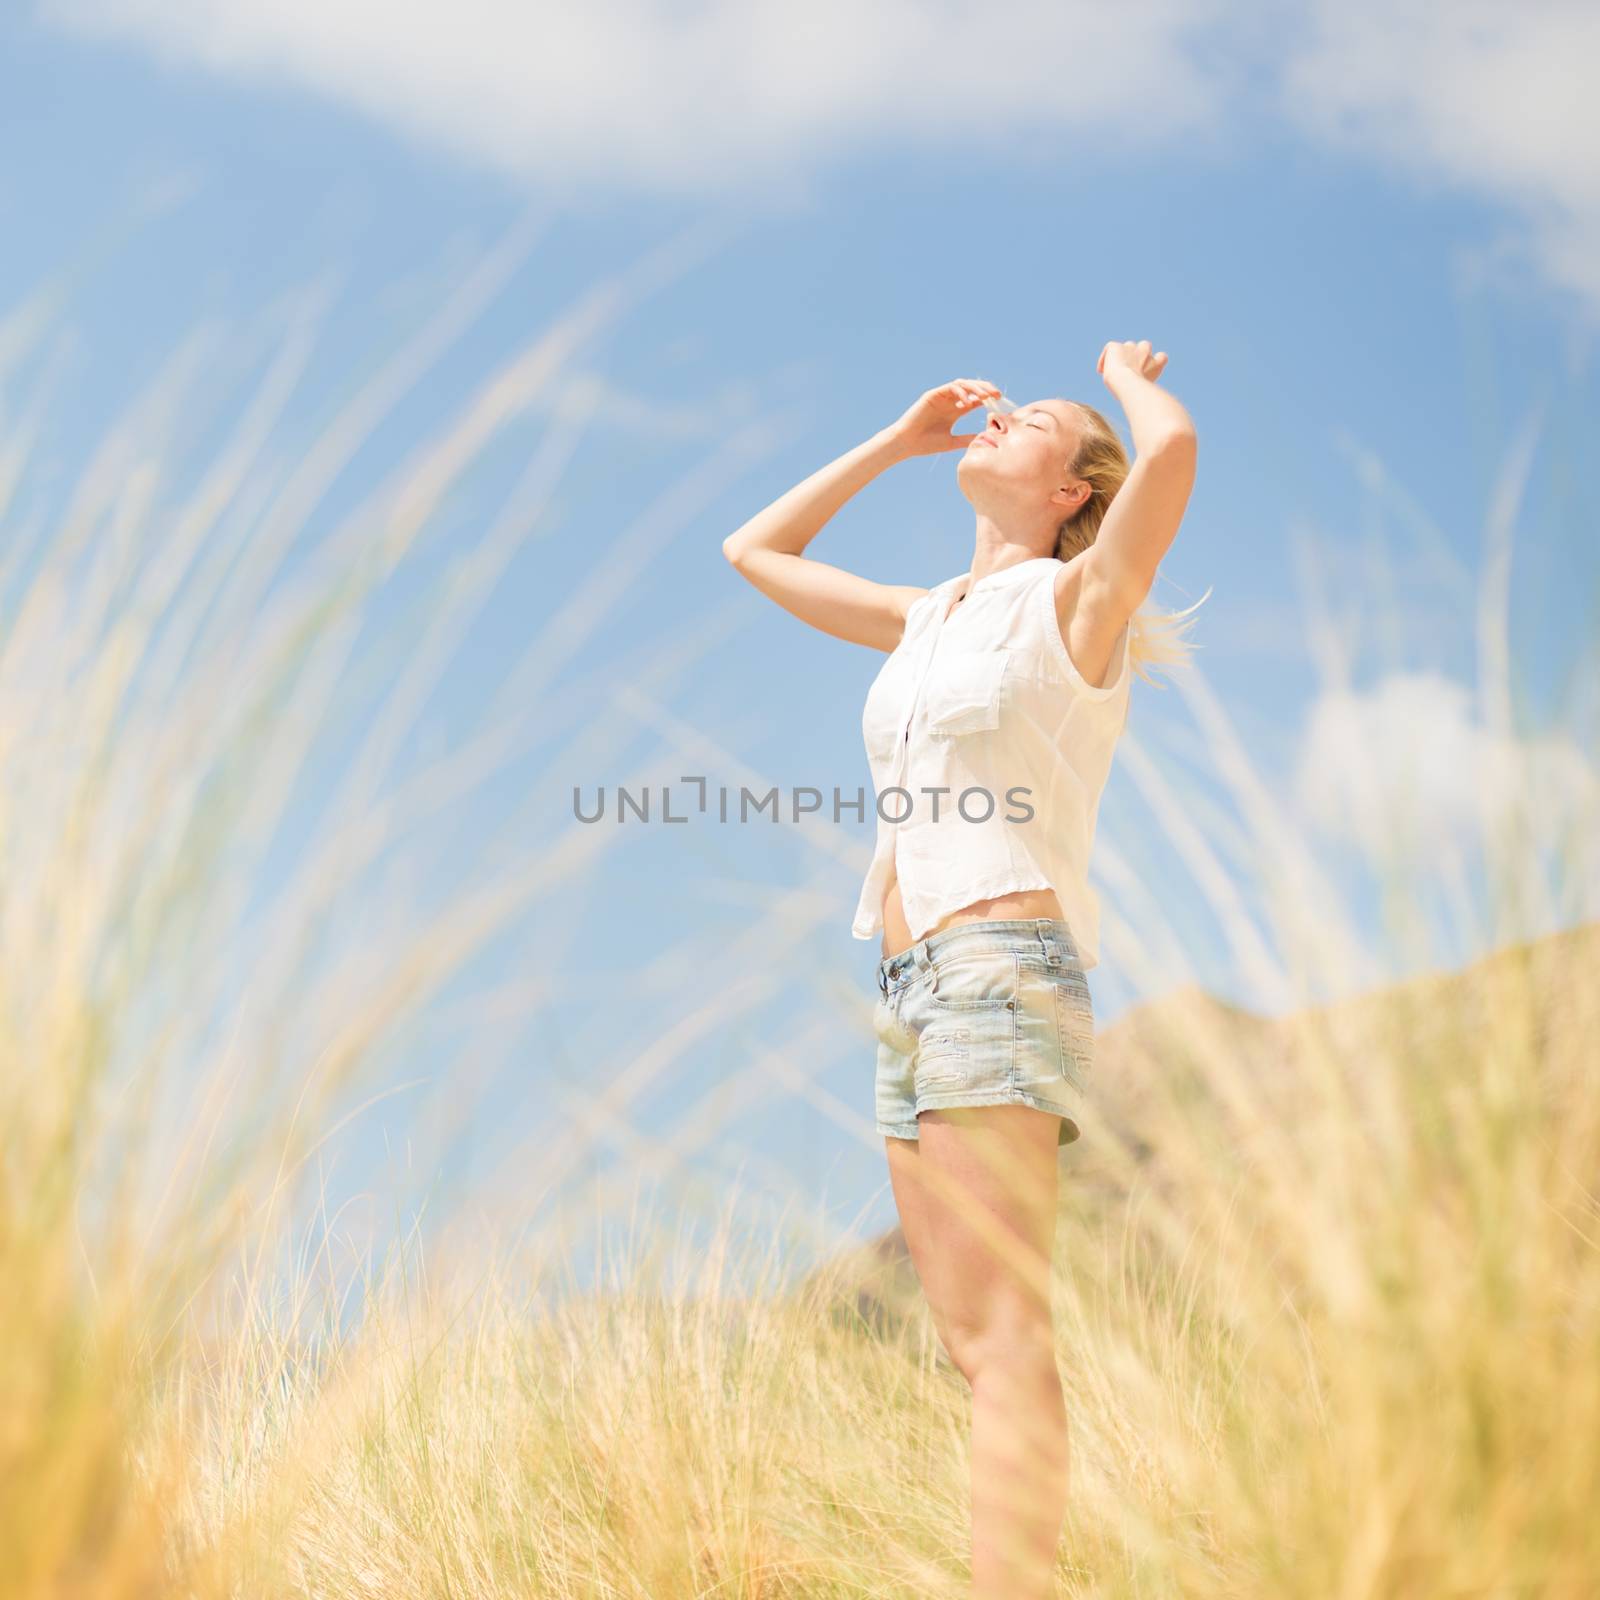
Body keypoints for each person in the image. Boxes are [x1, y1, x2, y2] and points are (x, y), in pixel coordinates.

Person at [723, 341, 1203, 1599]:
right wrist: (895, 440)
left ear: (1067, 490)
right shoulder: (925, 613)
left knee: (1003, 1331)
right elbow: (754, 552)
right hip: (906, 988)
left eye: (1033, 422)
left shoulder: (1079, 600)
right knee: (964, 1336)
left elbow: (1173, 454)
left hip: (1002, 959)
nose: (998, 421)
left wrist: (1120, 376)